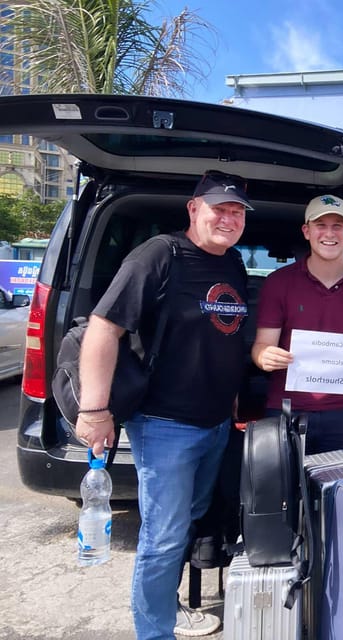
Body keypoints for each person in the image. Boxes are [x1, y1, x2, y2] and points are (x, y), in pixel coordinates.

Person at [75, 170, 252, 639]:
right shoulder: (159, 255)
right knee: (164, 537)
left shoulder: (232, 264)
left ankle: (165, 607)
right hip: (165, 424)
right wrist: (94, 410)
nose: (229, 219)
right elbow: (102, 329)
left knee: (188, 521)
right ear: (194, 209)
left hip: (215, 424)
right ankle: (154, 632)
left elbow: (222, 337)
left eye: (237, 212)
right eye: (220, 209)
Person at [252, 194, 343, 454]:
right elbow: (262, 346)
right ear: (307, 231)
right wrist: (265, 357)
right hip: (286, 408)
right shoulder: (278, 282)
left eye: (337, 226)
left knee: (334, 490)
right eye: (321, 225)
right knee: (282, 493)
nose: (329, 233)